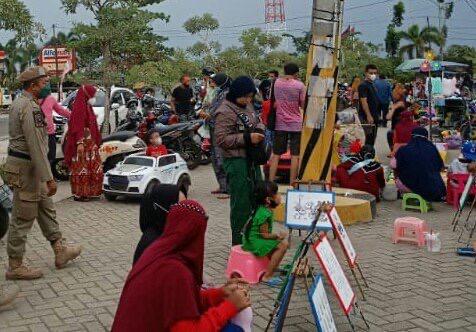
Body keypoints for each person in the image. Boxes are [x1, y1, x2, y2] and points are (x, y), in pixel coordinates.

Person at [112, 200, 252, 331]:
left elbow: (183, 301)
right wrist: (230, 306)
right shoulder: (174, 270)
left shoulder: (157, 251)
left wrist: (220, 293)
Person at [4, 66, 81, 280]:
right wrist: (49, 177)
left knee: (45, 207)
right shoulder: (29, 107)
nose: (47, 84)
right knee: (23, 216)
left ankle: (60, 249)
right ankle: (15, 265)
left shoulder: (23, 103)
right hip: (27, 168)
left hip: (28, 167)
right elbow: (36, 146)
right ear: (33, 85)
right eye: (44, 81)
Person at [215, 76, 265, 245]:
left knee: (258, 198)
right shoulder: (225, 111)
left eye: (250, 96)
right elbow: (221, 140)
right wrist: (247, 138)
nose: (248, 100)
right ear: (237, 93)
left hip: (251, 160)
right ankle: (239, 243)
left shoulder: (248, 105)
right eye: (245, 96)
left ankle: (254, 239)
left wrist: (259, 129)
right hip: (236, 162)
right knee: (241, 204)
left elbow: (258, 120)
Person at [242, 181, 288, 285]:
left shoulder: (264, 209)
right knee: (283, 245)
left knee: (278, 243)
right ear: (268, 200)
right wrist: (278, 235)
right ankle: (267, 276)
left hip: (254, 239)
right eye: (276, 193)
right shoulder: (265, 213)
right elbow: (265, 235)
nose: (279, 196)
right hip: (253, 242)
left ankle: (271, 266)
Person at [268, 63, 306, 185]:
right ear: (296, 73)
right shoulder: (300, 85)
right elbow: (303, 104)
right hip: (296, 123)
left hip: (280, 123)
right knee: (295, 155)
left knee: (276, 153)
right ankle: (292, 183)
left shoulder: (276, 83)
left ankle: (270, 181)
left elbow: (273, 101)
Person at [64, 85, 103, 201]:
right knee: (82, 169)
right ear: (87, 94)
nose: (94, 97)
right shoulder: (80, 106)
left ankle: (91, 192)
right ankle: (81, 193)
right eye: (93, 94)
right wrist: (79, 142)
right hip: (82, 144)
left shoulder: (87, 105)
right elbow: (77, 125)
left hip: (90, 144)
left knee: (92, 168)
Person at [133, 183, 186, 264]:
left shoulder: (169, 234)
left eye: (186, 206)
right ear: (163, 208)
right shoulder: (152, 246)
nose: (185, 213)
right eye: (180, 208)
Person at [392, 127, 446, 201]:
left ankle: (411, 192)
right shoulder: (432, 148)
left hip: (410, 185)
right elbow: (441, 167)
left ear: (412, 136)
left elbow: (394, 166)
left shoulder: (403, 149)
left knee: (398, 176)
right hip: (435, 189)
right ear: (426, 137)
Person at [204, 73, 232, 197]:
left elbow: (218, 110)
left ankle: (228, 188)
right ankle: (222, 186)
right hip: (213, 126)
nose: (212, 83)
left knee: (220, 156)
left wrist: (207, 114)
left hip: (220, 128)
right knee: (215, 157)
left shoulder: (226, 94)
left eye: (214, 81)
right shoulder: (219, 92)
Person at [38, 83, 71, 171]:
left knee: (50, 156)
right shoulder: (31, 100)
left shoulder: (50, 99)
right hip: (39, 134)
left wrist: (73, 116)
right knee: (43, 157)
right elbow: (61, 111)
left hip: (49, 134)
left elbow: (60, 110)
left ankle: (48, 176)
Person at [358, 64, 380, 146]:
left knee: (373, 138)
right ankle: (367, 156)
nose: (373, 75)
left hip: (374, 116)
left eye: (375, 73)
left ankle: (370, 155)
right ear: (366, 73)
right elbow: (364, 101)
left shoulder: (372, 85)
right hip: (367, 117)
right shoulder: (363, 85)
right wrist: (368, 115)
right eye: (371, 73)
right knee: (368, 139)